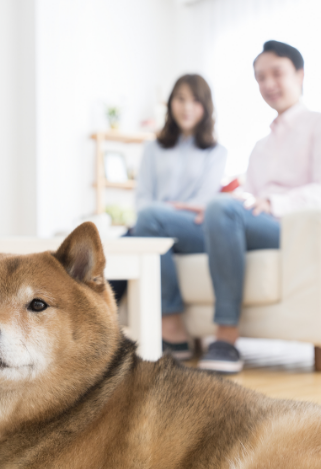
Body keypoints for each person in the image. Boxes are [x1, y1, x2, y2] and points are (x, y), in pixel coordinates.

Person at [187, 40, 321, 373]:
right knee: (157, 220)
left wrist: (272, 202)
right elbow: (250, 196)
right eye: (260, 77)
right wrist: (225, 207)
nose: (268, 84)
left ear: (300, 75)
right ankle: (168, 336)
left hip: (290, 226)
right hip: (250, 221)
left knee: (222, 209)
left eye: (277, 73)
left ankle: (227, 338)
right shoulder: (261, 147)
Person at [126, 74, 227, 361]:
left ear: (206, 107)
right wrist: (159, 213)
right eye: (180, 99)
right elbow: (142, 197)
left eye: (195, 100)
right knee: (121, 242)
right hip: (154, 227)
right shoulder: (152, 149)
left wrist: (160, 212)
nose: (186, 107)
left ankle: (171, 324)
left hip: (196, 230)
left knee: (147, 222)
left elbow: (203, 203)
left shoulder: (216, 152)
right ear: (170, 104)